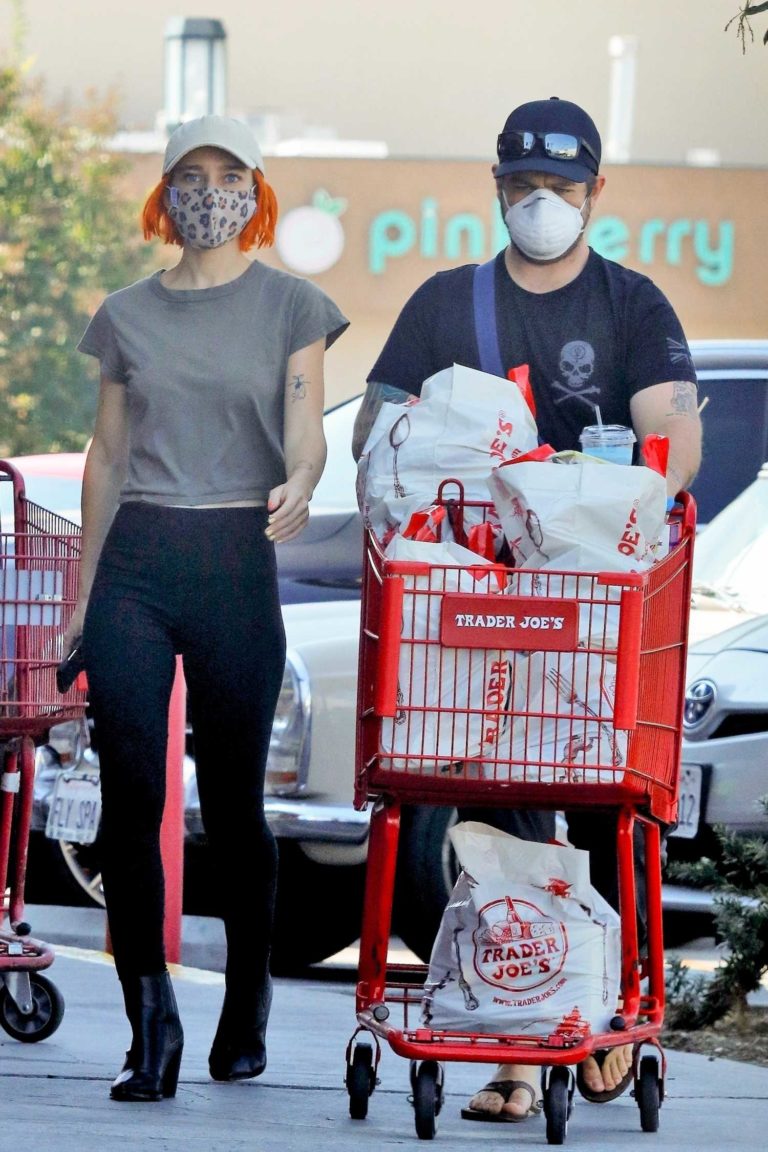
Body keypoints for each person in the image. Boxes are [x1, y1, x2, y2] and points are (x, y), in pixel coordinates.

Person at [353, 96, 701, 1121]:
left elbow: (673, 448)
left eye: (562, 186)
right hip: (464, 608)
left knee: (585, 801)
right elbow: (383, 432)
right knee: (452, 813)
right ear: (496, 187)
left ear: (598, 192)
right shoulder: (443, 304)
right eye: (522, 186)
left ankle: (552, 1028)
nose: (541, 203)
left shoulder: (631, 307)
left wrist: (577, 482)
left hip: (589, 615)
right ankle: (521, 1030)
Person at [64, 115, 348, 1102]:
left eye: (230, 174)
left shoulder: (291, 305)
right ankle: (152, 1025)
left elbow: (306, 431)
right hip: (138, 561)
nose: (209, 190)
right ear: (165, 192)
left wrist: (303, 481)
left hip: (236, 559)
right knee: (132, 801)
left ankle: (244, 1008)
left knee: (233, 812)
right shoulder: (125, 315)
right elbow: (104, 455)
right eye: (191, 173)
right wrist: (83, 598)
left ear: (257, 191)